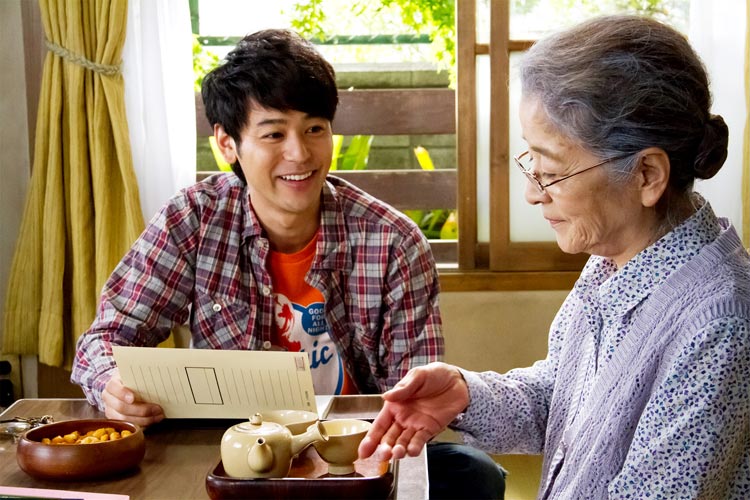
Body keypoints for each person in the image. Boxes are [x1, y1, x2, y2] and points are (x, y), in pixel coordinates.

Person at [71, 29, 505, 498]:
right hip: (235, 451)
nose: (299, 153)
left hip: (353, 453)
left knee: (473, 471)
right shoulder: (193, 219)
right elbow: (106, 338)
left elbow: (413, 390)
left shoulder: (394, 241)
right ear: (227, 144)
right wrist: (112, 385)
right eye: (274, 133)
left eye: (314, 129)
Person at [359, 14, 750, 499]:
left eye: (550, 170)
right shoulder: (614, 259)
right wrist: (466, 393)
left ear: (647, 174)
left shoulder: (720, 323)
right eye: (531, 162)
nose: (531, 193)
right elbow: (562, 399)